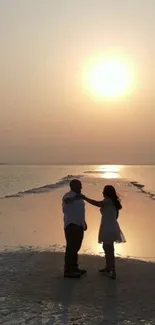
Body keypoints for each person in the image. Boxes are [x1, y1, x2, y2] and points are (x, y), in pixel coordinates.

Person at [81, 185, 125, 279]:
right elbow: (116, 216)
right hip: (112, 225)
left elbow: (96, 203)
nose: (102, 193)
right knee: (107, 247)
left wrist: (85, 198)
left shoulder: (108, 201)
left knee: (109, 249)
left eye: (103, 191)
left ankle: (112, 270)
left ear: (106, 192)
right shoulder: (114, 202)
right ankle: (108, 267)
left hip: (108, 227)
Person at [62, 179, 87, 278]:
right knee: (71, 248)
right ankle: (68, 270)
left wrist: (83, 223)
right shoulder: (68, 195)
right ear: (74, 186)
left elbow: (80, 211)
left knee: (76, 247)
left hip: (79, 224)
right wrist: (76, 197)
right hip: (71, 225)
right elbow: (67, 201)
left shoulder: (78, 197)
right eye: (79, 185)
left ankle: (74, 267)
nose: (81, 187)